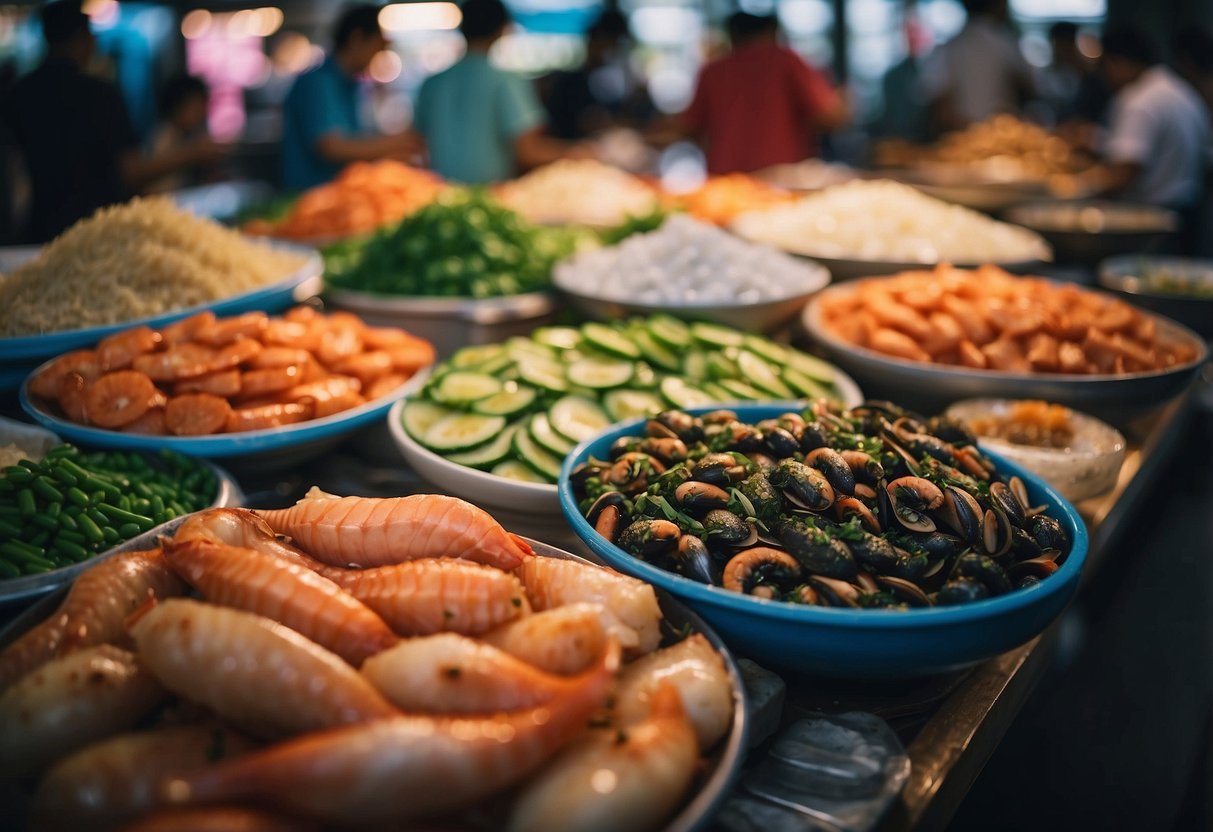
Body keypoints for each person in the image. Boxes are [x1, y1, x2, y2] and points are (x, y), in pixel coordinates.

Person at [2, 1, 221, 242]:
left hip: (34, 231)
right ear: (84, 39)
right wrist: (195, 153)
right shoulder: (100, 95)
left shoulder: (18, 94)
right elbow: (129, 172)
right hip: (96, 231)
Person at [413, 0, 590, 183]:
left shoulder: (432, 83)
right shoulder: (505, 81)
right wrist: (577, 152)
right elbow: (528, 151)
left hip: (441, 194)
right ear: (502, 30)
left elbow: (417, 141)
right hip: (491, 196)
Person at [674, 12, 847, 175]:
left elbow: (689, 127)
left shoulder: (712, 71)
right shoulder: (785, 61)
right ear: (771, 33)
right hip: (781, 177)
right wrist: (843, 100)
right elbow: (829, 116)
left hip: (725, 178)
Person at [280, 4, 417, 191]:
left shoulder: (351, 85)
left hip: (338, 197)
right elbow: (330, 147)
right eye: (377, 46)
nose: (378, 56)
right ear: (357, 39)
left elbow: (354, 139)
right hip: (310, 199)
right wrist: (392, 144)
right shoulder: (318, 83)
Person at [917, 0, 1034, 135]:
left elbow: (939, 103)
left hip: (961, 135)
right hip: (1000, 135)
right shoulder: (1005, 42)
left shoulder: (948, 47)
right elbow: (1030, 87)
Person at [541, 11, 650, 141]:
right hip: (573, 153)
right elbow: (584, 124)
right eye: (611, 43)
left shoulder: (618, 81)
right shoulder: (570, 83)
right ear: (593, 42)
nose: (613, 51)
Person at [145, 74, 225, 193]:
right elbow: (159, 187)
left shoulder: (188, 135)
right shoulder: (164, 136)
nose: (202, 114)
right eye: (196, 108)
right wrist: (195, 152)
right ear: (177, 107)